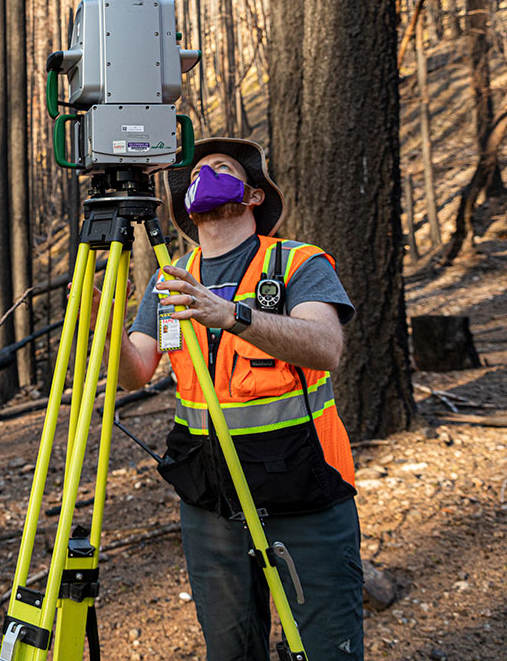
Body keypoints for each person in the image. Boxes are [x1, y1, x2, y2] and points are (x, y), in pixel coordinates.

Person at [113, 137, 364, 661]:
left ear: (252, 197)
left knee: (325, 650)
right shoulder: (169, 280)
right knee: (230, 650)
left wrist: (232, 316)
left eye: (221, 168)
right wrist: (103, 324)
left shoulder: (296, 263)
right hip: (211, 500)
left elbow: (326, 347)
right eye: (196, 173)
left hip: (305, 490)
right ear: (186, 205)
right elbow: (135, 372)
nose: (205, 173)